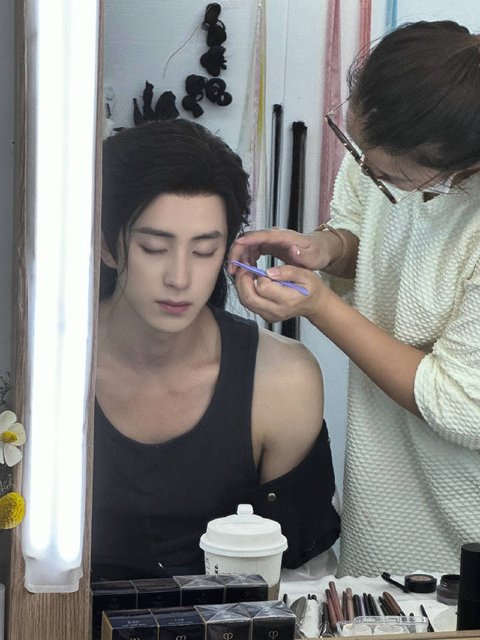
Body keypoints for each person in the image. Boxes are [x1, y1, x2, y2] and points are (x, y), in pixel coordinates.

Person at [228, 20, 480, 578]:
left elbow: (461, 404)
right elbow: (371, 239)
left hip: (464, 518)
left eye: (384, 172)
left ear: (460, 167)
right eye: (355, 149)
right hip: (382, 496)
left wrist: (320, 306)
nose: (363, 168)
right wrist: (326, 247)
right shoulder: (381, 149)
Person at [91, 119, 340, 581]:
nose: (180, 278)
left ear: (230, 251)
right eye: (154, 248)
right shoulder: (45, 366)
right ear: (107, 245)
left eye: (204, 251)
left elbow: (297, 576)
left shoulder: (281, 380)